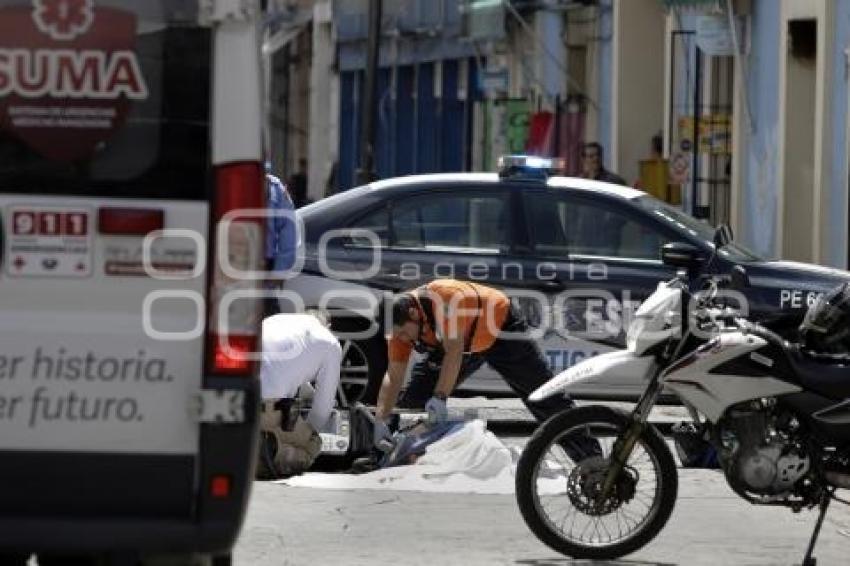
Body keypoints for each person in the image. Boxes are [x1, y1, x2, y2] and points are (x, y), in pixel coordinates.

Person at [373, 279, 595, 457]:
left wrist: (440, 397)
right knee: (414, 401)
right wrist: (381, 419)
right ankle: (392, 453)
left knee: (543, 396)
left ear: (414, 313)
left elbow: (454, 353)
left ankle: (591, 460)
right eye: (397, 335)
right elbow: (394, 374)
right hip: (462, 342)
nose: (402, 339)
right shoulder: (399, 325)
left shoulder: (444, 298)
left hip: (500, 328)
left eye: (404, 333)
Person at [257, 312, 341, 478]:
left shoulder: (274, 320)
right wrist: (309, 433)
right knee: (312, 445)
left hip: (235, 398)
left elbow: (286, 370)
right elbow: (322, 407)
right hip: (264, 408)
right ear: (328, 326)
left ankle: (258, 444)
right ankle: (267, 452)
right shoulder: (330, 343)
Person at [264, 171, 297, 316]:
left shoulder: (275, 189)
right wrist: (278, 273)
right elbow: (288, 238)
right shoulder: (274, 188)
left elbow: (288, 236)